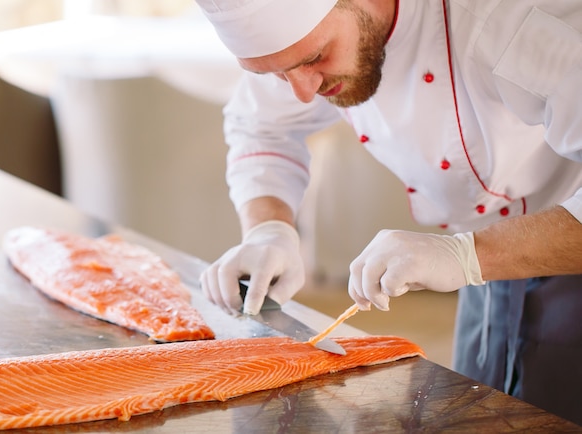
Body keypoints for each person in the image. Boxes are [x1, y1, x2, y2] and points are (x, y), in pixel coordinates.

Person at [194, 0, 582, 424]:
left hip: (567, 255)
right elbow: (261, 126)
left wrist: (466, 256)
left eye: (315, 58)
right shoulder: (298, 46)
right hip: (483, 270)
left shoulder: (513, 25)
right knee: (481, 417)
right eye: (277, 74)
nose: (302, 92)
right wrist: (268, 228)